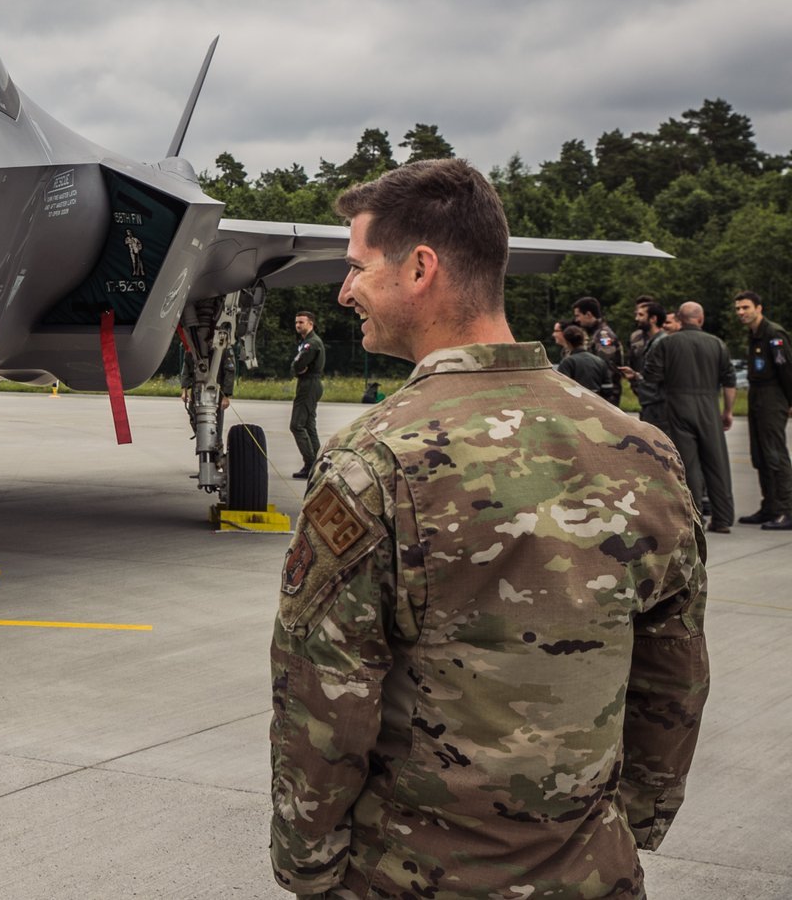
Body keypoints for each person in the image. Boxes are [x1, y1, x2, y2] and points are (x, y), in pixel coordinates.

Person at [269, 159, 707, 899]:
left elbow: (325, 696)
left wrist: (307, 864)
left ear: (419, 268)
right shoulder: (643, 450)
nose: (346, 291)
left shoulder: (374, 459)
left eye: (356, 267)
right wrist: (629, 823)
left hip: (415, 877)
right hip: (593, 871)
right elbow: (675, 679)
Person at [642, 301, 737, 533]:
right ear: (701, 319)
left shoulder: (668, 343)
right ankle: (723, 518)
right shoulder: (717, 344)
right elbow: (729, 380)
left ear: (680, 320)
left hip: (677, 405)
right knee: (717, 462)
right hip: (709, 406)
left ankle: (696, 520)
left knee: (689, 464)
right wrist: (728, 411)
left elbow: (651, 376)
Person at [733, 291, 792, 529]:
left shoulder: (773, 335)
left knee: (775, 455)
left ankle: (787, 510)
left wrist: (790, 401)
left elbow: (787, 370)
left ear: (759, 308)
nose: (741, 313)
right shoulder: (754, 334)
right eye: (738, 309)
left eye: (745, 307)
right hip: (757, 394)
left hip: (772, 395)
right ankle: (770, 507)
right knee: (760, 456)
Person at [622, 296, 669, 430]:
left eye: (641, 315)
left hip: (659, 407)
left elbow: (658, 379)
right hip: (652, 404)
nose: (637, 318)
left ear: (653, 319)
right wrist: (635, 376)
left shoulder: (661, 343)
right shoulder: (653, 341)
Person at [288, 311, 325, 479]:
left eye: (301, 322)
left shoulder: (312, 343)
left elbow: (298, 364)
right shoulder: (307, 343)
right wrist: (296, 367)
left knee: (296, 425)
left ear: (311, 323)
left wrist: (296, 367)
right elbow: (297, 365)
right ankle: (318, 465)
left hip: (309, 384)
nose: (298, 325)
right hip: (308, 383)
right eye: (296, 322)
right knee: (309, 425)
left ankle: (310, 464)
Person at [572, 296, 625, 405]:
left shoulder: (603, 336)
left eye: (578, 315)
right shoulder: (594, 335)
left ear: (588, 314)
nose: (577, 320)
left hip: (605, 394)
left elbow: (605, 365)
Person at [555, 323, 616, 396]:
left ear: (567, 342)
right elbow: (607, 389)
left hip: (575, 404)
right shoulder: (600, 361)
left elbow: (561, 389)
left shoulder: (567, 362)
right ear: (583, 339)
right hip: (597, 403)